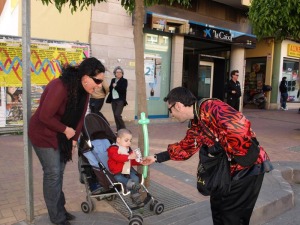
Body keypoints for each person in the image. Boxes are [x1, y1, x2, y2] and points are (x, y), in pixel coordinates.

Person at [143, 87, 273, 225]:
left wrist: (224, 149)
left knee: (231, 217)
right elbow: (186, 146)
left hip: (248, 168)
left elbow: (239, 124)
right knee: (218, 210)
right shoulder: (196, 121)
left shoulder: (211, 106)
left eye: (170, 110)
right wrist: (157, 157)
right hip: (227, 171)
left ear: (179, 106)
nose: (171, 114)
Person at [28, 57, 106, 225]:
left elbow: (79, 118)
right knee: (53, 173)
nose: (99, 85)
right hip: (43, 134)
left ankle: (60, 209)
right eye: (97, 81)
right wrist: (66, 130)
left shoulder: (85, 91)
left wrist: (74, 139)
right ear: (85, 77)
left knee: (59, 173)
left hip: (63, 136)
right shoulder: (60, 86)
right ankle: (57, 217)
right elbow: (44, 116)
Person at [107, 128, 144, 206]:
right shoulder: (113, 149)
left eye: (130, 141)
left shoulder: (128, 150)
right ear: (118, 140)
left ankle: (135, 197)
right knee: (118, 178)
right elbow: (116, 157)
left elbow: (131, 161)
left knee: (136, 178)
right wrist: (129, 157)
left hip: (127, 170)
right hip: (117, 172)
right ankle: (132, 185)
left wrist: (140, 161)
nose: (129, 143)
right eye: (126, 140)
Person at [106, 66, 128, 131]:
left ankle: (123, 128)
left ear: (122, 73)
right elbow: (110, 89)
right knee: (115, 116)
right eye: (117, 72)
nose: (118, 73)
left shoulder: (124, 80)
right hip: (113, 100)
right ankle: (118, 129)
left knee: (117, 114)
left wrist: (116, 86)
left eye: (120, 72)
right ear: (115, 73)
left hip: (120, 100)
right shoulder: (113, 80)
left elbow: (123, 90)